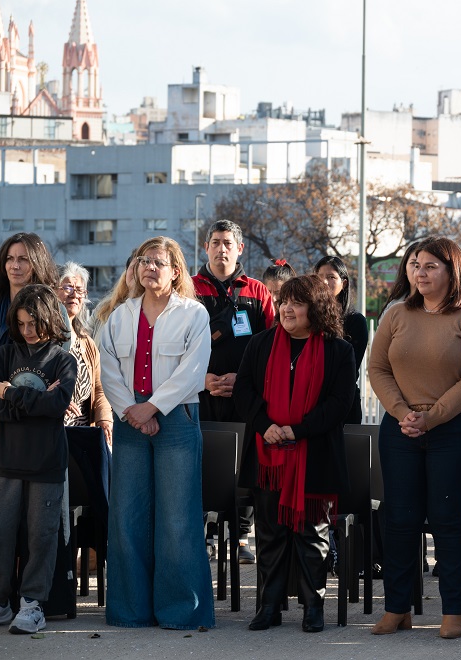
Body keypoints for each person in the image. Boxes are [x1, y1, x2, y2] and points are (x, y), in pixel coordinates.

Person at [367, 236, 461, 639]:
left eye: (430, 266)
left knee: (448, 518)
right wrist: (402, 413)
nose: (419, 273)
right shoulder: (395, 314)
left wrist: (432, 417)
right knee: (399, 519)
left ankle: (453, 611)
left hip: (456, 429)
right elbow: (377, 369)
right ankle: (397, 608)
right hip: (400, 427)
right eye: (414, 265)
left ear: (451, 271)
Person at [98, 236, 215, 630]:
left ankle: (182, 612)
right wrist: (132, 411)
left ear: (175, 271)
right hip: (129, 417)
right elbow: (108, 370)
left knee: (177, 518)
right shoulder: (119, 316)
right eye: (143, 261)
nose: (149, 267)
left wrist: (152, 407)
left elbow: (193, 372)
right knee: (127, 516)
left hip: (176, 418)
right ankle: (130, 611)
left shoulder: (194, 314)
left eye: (158, 262)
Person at [234, 275, 356, 634]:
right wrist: (265, 425)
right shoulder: (260, 343)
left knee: (312, 535)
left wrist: (296, 430)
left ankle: (313, 608)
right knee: (269, 535)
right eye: (284, 301)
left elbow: (340, 404)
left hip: (316, 455)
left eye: (296, 303)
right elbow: (243, 391)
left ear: (316, 308)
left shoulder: (339, 350)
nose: (287, 309)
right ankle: (268, 607)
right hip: (268, 456)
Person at [0, 285, 77, 634]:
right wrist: (35, 402)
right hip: (5, 460)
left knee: (41, 536)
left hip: (46, 463)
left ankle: (32, 605)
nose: (27, 331)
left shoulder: (63, 360)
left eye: (34, 323)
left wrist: (10, 393)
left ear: (49, 320)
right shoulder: (4, 355)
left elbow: (57, 407)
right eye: (21, 323)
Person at [193, 220, 275, 563]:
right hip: (199, 394)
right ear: (206, 248)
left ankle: (241, 537)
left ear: (240, 248)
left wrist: (242, 380)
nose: (221, 248)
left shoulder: (258, 292)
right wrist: (202, 379)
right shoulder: (188, 289)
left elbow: (272, 347)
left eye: (228, 243)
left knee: (244, 466)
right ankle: (206, 535)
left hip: (245, 397)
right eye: (215, 242)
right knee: (202, 464)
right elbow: (176, 345)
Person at [57, 262, 113, 446]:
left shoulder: (86, 342)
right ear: (53, 291)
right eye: (67, 287)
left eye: (80, 290)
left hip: (81, 436)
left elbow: (99, 387)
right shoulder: (41, 336)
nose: (74, 295)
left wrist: (104, 419)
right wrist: (53, 399)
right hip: (49, 434)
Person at [314, 256, 368, 424]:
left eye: (331, 277)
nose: (324, 282)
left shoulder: (355, 321)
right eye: (319, 276)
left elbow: (350, 370)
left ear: (343, 283)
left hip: (344, 404)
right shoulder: (307, 318)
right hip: (311, 402)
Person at [0, 233, 61, 352]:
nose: (15, 266)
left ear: (37, 263)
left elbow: (60, 355)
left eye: (23, 259)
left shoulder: (53, 308)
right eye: (9, 259)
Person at [92, 255, 138, 338]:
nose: (138, 272)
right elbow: (83, 337)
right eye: (134, 267)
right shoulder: (104, 308)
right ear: (126, 273)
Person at [377, 241, 421, 323]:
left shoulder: (443, 307)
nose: (419, 271)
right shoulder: (393, 307)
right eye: (414, 263)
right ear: (405, 269)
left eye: (428, 266)